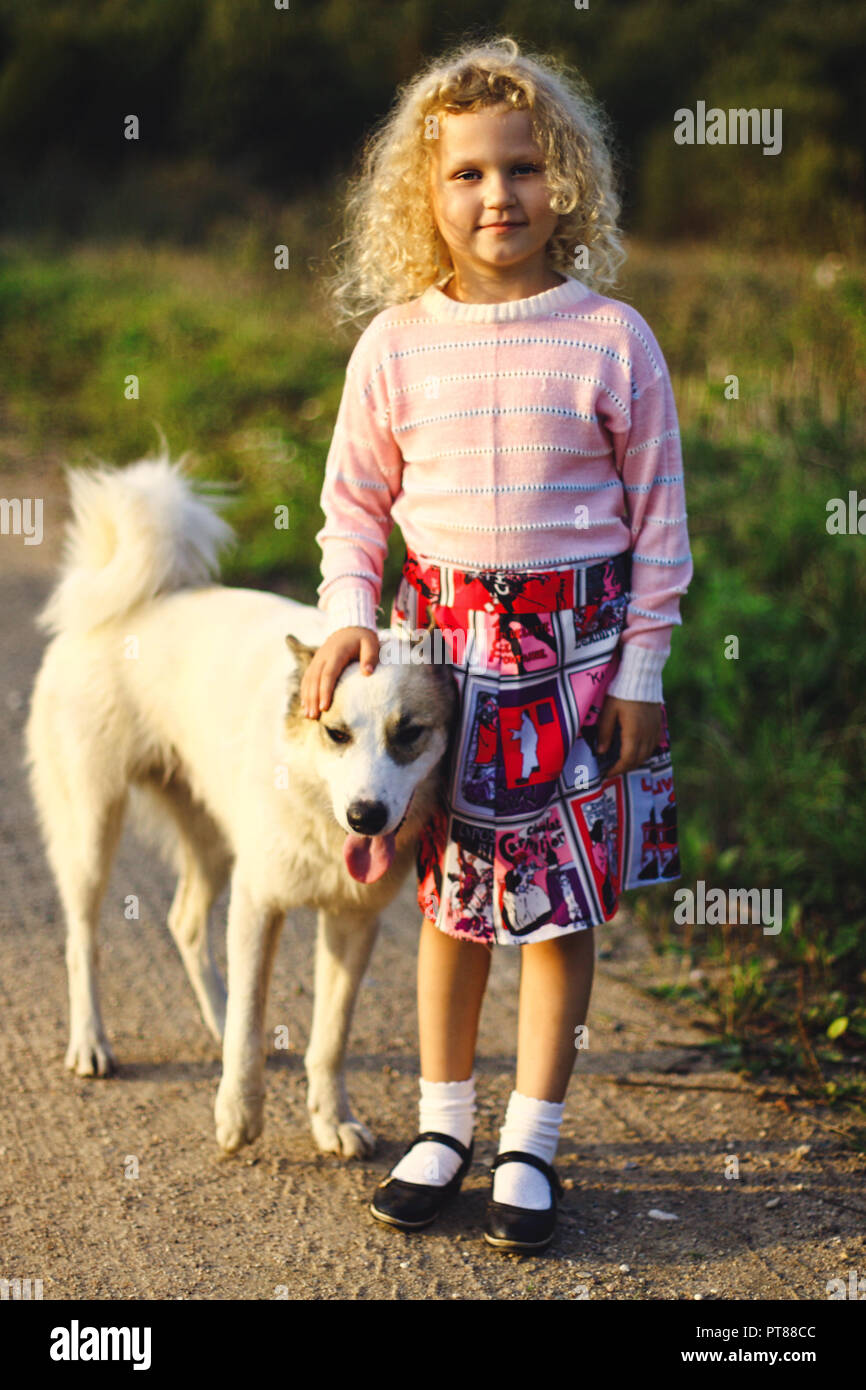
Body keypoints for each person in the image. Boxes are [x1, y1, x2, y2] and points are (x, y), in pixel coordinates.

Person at [300, 33, 692, 1252]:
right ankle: (442, 1122)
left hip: (573, 671)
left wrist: (638, 674)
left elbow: (659, 528)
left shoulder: (612, 339)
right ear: (424, 195)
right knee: (453, 910)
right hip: (441, 669)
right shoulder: (395, 345)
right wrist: (347, 618)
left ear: (561, 180)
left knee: (556, 913)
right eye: (465, 174)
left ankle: (532, 1136)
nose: (495, 196)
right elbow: (355, 509)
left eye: (520, 169)